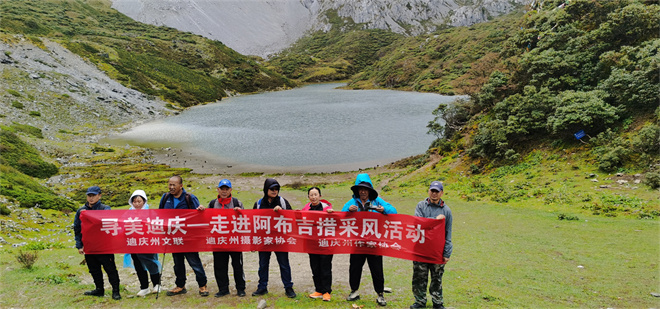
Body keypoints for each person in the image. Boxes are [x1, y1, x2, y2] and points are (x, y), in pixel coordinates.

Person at [342, 173, 397, 307]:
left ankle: (380, 294)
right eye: (360, 189)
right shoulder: (352, 203)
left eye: (365, 189)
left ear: (369, 190)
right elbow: (341, 215)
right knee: (354, 268)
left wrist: (384, 210)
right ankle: (354, 291)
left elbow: (394, 212)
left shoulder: (377, 201)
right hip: (357, 243)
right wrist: (348, 210)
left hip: (374, 243)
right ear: (357, 191)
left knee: (377, 269)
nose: (363, 192)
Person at [158, 175, 209, 297]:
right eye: (169, 184)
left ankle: (202, 286)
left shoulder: (189, 198)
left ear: (181, 186)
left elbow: (199, 215)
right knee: (178, 263)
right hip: (174, 238)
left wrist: (201, 209)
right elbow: (160, 215)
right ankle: (180, 285)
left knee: (194, 262)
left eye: (174, 185)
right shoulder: (165, 198)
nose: (171, 187)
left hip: (189, 238)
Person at [73, 186, 122, 300]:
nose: (91, 198)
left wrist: (88, 215)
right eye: (89, 196)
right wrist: (79, 245)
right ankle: (99, 289)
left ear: (99, 196)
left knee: (110, 269)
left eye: (93, 195)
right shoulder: (80, 211)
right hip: (89, 247)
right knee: (94, 269)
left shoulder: (105, 209)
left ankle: (116, 291)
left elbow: (105, 221)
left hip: (104, 247)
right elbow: (77, 229)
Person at [410, 181, 453, 309]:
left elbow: (448, 233)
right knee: (419, 277)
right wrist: (436, 221)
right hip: (421, 249)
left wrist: (447, 252)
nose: (434, 193)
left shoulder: (446, 211)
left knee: (437, 278)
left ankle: (437, 302)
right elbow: (418, 224)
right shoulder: (421, 206)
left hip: (437, 251)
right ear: (428, 191)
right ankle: (420, 301)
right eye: (432, 191)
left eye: (437, 191)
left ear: (441, 193)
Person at [251, 178, 296, 298]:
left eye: (277, 189)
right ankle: (262, 287)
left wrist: (282, 212)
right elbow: (253, 223)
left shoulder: (282, 202)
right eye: (272, 188)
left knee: (284, 264)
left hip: (280, 240)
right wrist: (253, 242)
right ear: (266, 189)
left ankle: (288, 287)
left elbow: (292, 218)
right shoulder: (259, 203)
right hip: (264, 240)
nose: (274, 191)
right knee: (263, 265)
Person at [207, 179, 247, 298]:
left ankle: (240, 288)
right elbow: (206, 219)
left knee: (238, 266)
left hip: (234, 240)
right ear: (218, 189)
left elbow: (246, 219)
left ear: (231, 190)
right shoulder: (212, 203)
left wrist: (240, 213)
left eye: (227, 189)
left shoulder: (236, 202)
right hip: (219, 241)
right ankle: (223, 289)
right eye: (222, 189)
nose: (224, 191)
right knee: (219, 266)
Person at [127, 190, 162, 297]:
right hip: (133, 243)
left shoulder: (150, 212)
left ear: (144, 201)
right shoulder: (128, 212)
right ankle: (144, 287)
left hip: (147, 242)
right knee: (138, 264)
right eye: (135, 202)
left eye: (139, 201)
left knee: (151, 262)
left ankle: (157, 284)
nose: (137, 204)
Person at [303, 187, 334, 302]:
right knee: (315, 267)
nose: (313, 197)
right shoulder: (306, 209)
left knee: (325, 268)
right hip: (312, 244)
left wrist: (331, 214)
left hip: (325, 244)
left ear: (320, 196)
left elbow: (335, 223)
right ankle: (319, 290)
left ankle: (326, 291)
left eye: (316, 194)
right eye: (311, 195)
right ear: (308, 197)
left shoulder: (327, 209)